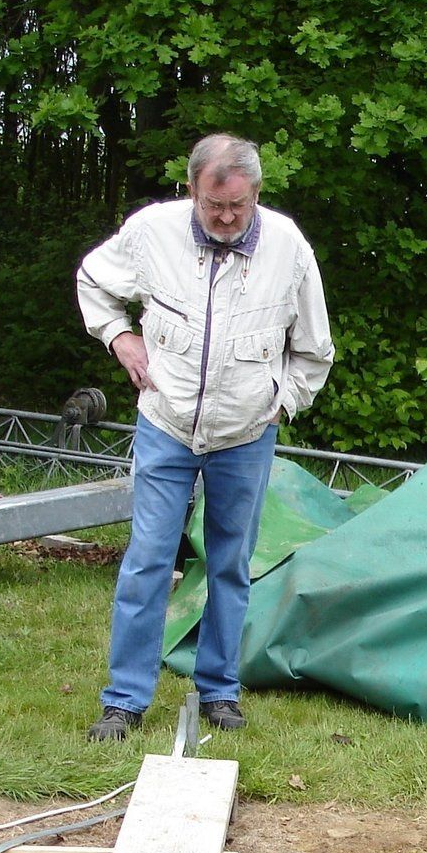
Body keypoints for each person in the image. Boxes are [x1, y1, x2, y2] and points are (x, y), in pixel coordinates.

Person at [76, 132, 334, 740]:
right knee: (147, 559)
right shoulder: (151, 233)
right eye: (213, 205)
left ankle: (219, 690)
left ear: (256, 194)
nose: (225, 218)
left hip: (244, 434)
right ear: (191, 189)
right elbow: (93, 279)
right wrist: (119, 337)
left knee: (230, 564)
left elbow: (314, 350)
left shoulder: (289, 248)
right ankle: (124, 701)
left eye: (237, 206)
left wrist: (281, 403)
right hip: (165, 424)